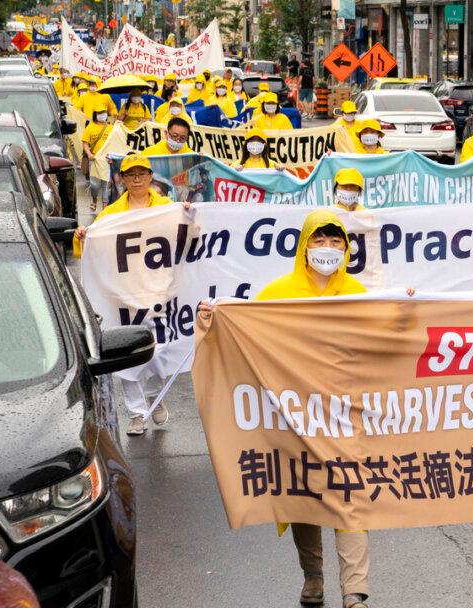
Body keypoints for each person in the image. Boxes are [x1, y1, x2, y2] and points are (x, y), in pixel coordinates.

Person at [199, 210, 373, 608]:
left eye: (335, 242)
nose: (327, 249)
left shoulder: (361, 294)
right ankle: (313, 575)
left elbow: (389, 337)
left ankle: (355, 592)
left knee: (349, 497)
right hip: (291, 416)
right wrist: (213, 320)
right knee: (303, 498)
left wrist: (410, 308)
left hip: (344, 415)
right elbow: (241, 333)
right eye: (319, 240)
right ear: (304, 245)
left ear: (346, 248)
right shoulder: (278, 292)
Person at [74, 154, 177, 436]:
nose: (136, 179)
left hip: (158, 293)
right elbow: (91, 246)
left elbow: (191, 234)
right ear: (121, 178)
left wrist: (191, 213)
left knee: (158, 352)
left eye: (141, 174)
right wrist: (84, 234)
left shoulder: (168, 208)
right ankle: (137, 413)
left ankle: (156, 398)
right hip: (123, 295)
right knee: (128, 353)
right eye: (130, 175)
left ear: (150, 176)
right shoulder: (110, 215)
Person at [80, 94, 116, 212]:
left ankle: (105, 207)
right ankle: (94, 199)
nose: (103, 114)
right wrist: (89, 154)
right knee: (94, 185)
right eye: (100, 112)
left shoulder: (111, 128)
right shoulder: (90, 127)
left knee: (107, 184)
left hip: (107, 160)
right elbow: (85, 143)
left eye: (104, 112)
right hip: (94, 159)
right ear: (95, 114)